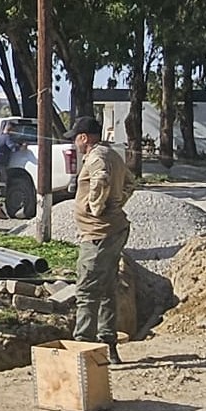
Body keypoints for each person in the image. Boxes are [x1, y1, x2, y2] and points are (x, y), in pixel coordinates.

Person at [66, 115, 134, 364]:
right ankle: (109, 346)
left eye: (75, 138)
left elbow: (102, 179)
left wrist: (96, 207)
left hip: (98, 234)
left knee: (86, 292)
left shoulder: (96, 157)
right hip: (114, 230)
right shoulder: (113, 154)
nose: (74, 143)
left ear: (84, 138)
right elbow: (130, 183)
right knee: (107, 289)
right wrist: (118, 203)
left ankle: (82, 349)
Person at [0, 119, 23, 219]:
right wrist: (22, 147)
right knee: (1, 185)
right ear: (10, 129)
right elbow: (14, 148)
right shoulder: (7, 137)